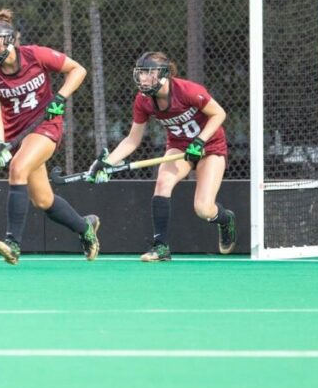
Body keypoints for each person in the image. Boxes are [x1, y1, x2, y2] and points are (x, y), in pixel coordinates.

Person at [0, 9, 100, 265]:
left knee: (17, 167)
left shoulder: (36, 55)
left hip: (46, 127)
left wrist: (60, 98)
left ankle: (13, 243)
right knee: (43, 200)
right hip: (17, 135)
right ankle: (85, 228)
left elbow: (77, 70)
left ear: (10, 41)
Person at [90, 51, 236, 262]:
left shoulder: (187, 91)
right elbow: (132, 140)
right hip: (178, 147)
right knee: (163, 183)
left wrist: (200, 141)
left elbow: (219, 113)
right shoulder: (143, 100)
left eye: (150, 73)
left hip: (209, 147)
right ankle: (161, 247)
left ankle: (225, 219)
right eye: (141, 74)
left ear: (165, 75)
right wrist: (106, 162)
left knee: (203, 209)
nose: (144, 79)